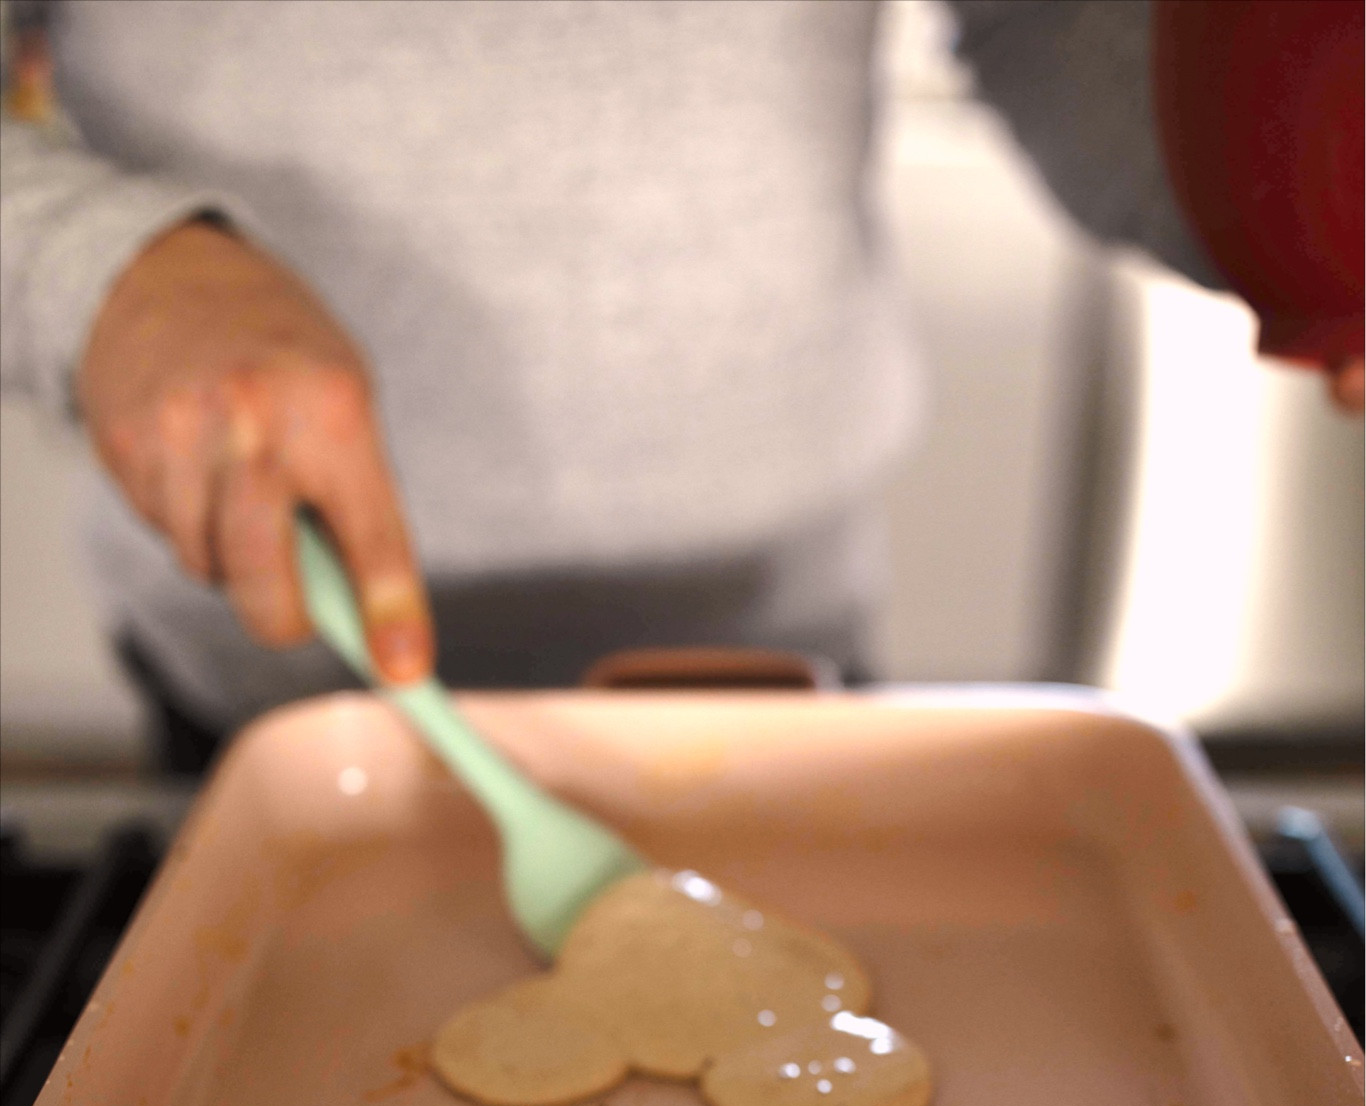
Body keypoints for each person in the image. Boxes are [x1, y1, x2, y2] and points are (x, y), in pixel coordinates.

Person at [1, 1, 1356, 766]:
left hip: (775, 659)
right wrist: (101, 269)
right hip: (276, 686)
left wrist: (1293, 200)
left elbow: (1035, 17)